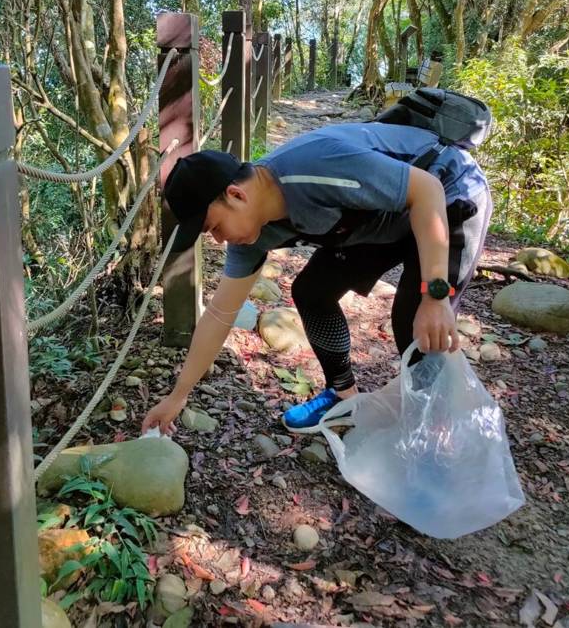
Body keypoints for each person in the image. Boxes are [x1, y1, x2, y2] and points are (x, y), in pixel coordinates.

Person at [141, 120, 491, 435]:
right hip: (380, 219)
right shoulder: (252, 233)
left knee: (415, 322)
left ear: (236, 195)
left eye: (214, 227)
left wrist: (435, 294)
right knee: (312, 292)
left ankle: (436, 431)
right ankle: (343, 397)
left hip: (448, 194)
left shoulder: (313, 169)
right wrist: (178, 395)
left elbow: (426, 190)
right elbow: (219, 313)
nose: (219, 240)